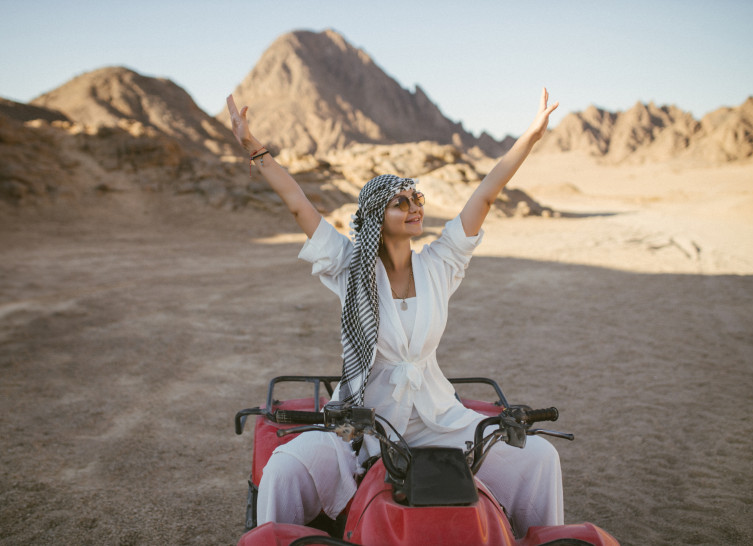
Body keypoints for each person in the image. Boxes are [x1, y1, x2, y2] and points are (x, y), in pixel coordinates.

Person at [226, 88, 562, 535]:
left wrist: (531, 137)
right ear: (374, 216)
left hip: (438, 419)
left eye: (417, 200)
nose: (414, 208)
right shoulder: (349, 266)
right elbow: (298, 204)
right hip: (362, 421)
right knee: (286, 467)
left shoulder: (441, 263)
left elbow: (486, 193)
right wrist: (256, 149)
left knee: (539, 456)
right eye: (399, 202)